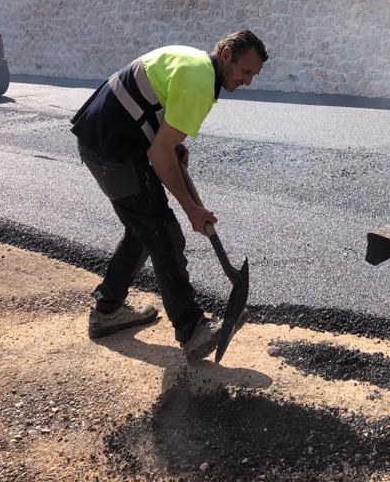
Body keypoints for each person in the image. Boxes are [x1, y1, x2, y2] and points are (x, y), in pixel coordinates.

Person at [71, 30, 268, 360]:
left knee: (143, 231)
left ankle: (107, 312)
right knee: (163, 233)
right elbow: (159, 154)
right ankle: (191, 330)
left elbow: (158, 121)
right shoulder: (200, 84)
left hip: (104, 136)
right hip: (113, 149)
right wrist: (192, 208)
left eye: (253, 75)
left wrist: (171, 146)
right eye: (245, 71)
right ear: (227, 54)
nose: (247, 81)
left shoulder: (195, 64)